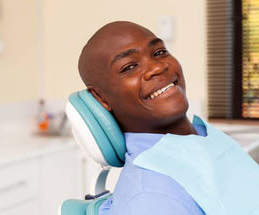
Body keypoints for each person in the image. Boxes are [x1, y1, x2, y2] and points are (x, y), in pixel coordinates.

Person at [78, 21, 206, 215]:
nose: (157, 67)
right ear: (101, 97)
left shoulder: (205, 138)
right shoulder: (151, 199)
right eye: (129, 67)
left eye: (159, 52)